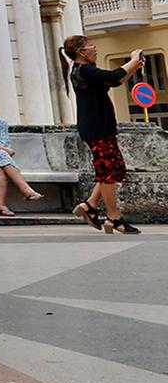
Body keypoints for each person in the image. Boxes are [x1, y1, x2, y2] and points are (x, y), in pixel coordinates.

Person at [60, 35, 144, 235]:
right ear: (82, 52)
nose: (95, 48)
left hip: (100, 126)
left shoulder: (81, 71)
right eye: (91, 46)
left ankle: (89, 206)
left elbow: (114, 81)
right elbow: (114, 76)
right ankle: (114, 218)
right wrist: (133, 59)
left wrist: (134, 65)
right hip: (97, 127)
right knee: (107, 172)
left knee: (112, 167)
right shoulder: (85, 70)